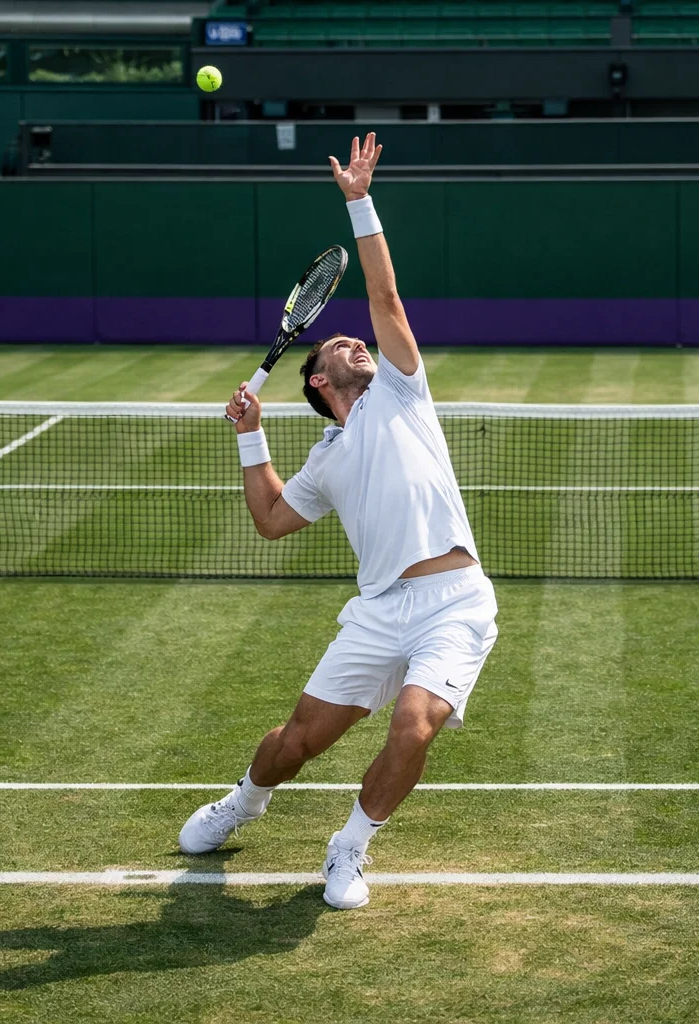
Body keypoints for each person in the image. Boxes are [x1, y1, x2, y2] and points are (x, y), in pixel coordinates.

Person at [178, 133, 498, 911]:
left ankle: (349, 846)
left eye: (359, 339)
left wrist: (360, 199)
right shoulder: (323, 459)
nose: (358, 338)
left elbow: (386, 299)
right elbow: (271, 520)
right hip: (380, 611)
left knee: (415, 725)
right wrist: (251, 436)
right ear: (321, 382)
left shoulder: (401, 391)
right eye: (340, 346)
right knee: (297, 743)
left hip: (455, 602)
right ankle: (244, 800)